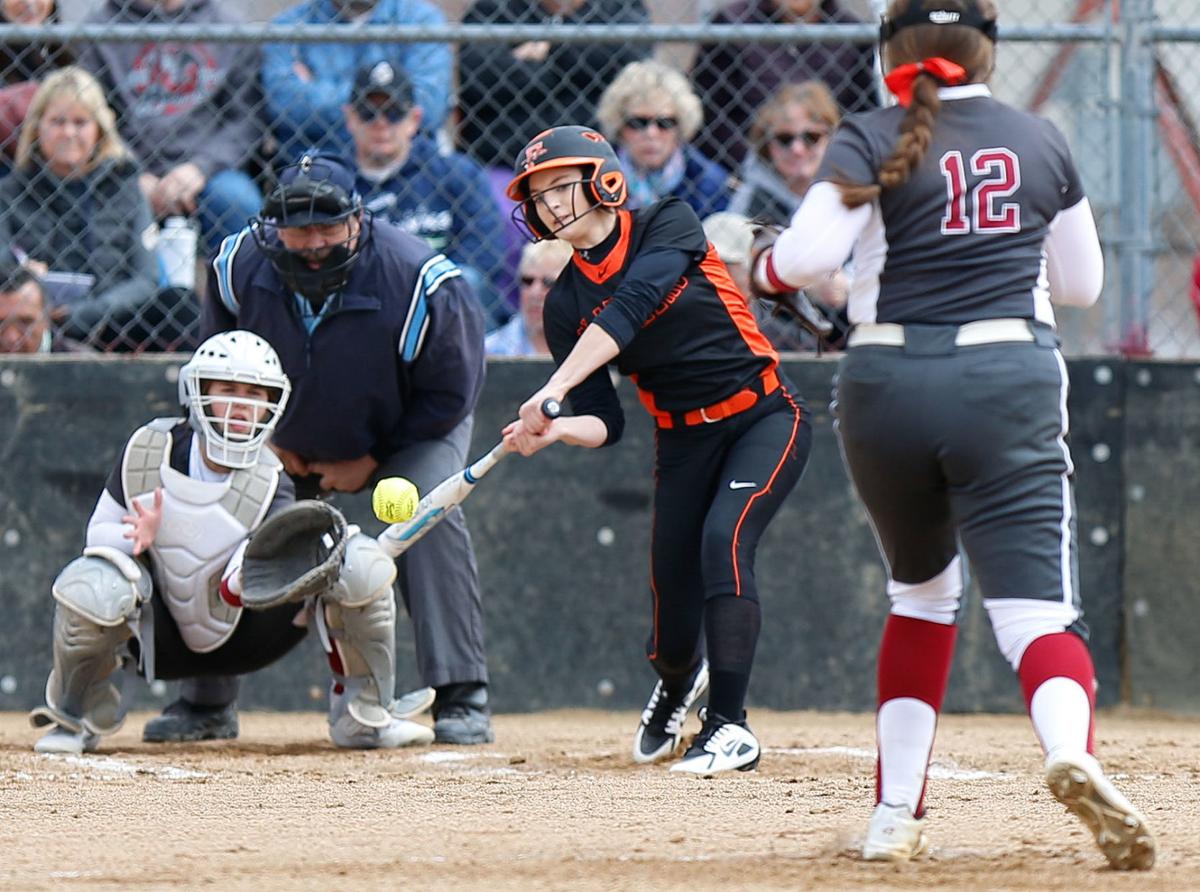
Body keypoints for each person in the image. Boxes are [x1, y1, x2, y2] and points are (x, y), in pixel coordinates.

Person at [751, 0, 1155, 869]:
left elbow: (805, 260)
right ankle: (1070, 752)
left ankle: (895, 814)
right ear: (986, 52)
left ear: (890, 51)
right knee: (1036, 612)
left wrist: (759, 265)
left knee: (923, 598)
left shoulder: (870, 134)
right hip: (1007, 378)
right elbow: (1081, 285)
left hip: (886, 381)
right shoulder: (1037, 137)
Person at [502, 125, 811, 773]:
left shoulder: (668, 223)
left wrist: (553, 388)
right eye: (538, 195)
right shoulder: (564, 304)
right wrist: (559, 427)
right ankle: (677, 681)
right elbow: (604, 421)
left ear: (603, 179)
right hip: (682, 439)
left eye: (561, 186)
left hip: (763, 416)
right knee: (672, 616)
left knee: (724, 543)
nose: (551, 204)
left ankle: (729, 727)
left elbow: (632, 307)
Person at [199, 154, 495, 746]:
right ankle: (203, 701)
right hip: (281, 438)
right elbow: (219, 370)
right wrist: (266, 440)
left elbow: (451, 394)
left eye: (328, 226)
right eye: (298, 227)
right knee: (216, 503)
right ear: (273, 226)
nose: (313, 243)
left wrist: (373, 461)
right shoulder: (236, 266)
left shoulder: (420, 279)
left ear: (358, 220)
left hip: (405, 433)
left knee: (420, 509)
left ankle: (462, 693)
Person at [29, 330, 435, 754]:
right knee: (93, 583)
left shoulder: (273, 480)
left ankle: (363, 715)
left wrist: (274, 570)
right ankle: (76, 718)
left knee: (360, 565)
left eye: (256, 394)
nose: (243, 405)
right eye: (228, 391)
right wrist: (136, 538)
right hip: (157, 638)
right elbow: (98, 535)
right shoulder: (149, 452)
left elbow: (260, 568)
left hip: (250, 635)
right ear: (198, 393)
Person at [0, 67, 186, 352]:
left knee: (181, 303)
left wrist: (90, 312)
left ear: (99, 128)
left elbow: (146, 279)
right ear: (37, 127)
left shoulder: (126, 188)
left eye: (80, 122)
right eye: (57, 121)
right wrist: (22, 275)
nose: (68, 132)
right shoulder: (9, 191)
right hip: (31, 322)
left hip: (110, 319)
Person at [76, 0, 263, 255]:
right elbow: (94, 118)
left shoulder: (227, 25)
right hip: (127, 170)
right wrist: (130, 171)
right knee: (102, 205)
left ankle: (237, 280)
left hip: (209, 172)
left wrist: (200, 168)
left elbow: (246, 119)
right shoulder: (99, 29)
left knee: (237, 201)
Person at [344, 62, 507, 327]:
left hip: (443, 303)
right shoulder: (335, 181)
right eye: (368, 113)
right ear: (350, 118)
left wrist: (426, 288)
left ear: (414, 120)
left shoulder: (456, 173)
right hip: (365, 302)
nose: (381, 124)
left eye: (394, 113)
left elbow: (486, 251)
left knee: (469, 281)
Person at [691, 0, 878, 168]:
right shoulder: (733, 23)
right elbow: (708, 114)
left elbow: (863, 112)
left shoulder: (852, 31)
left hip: (831, 166)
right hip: (748, 168)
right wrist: (755, 164)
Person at [262, 0, 451, 162]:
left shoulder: (420, 19)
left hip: (407, 170)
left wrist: (317, 89)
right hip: (317, 166)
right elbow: (285, 108)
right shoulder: (290, 24)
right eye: (365, 113)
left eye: (384, 110)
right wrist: (389, 95)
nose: (377, 120)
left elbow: (429, 106)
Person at [594, 60, 731, 220]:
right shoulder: (594, 177)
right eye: (638, 122)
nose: (651, 133)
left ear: (680, 126)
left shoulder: (709, 183)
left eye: (664, 123)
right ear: (619, 126)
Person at [484, 239, 572, 356]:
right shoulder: (489, 351)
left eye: (549, 282)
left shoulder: (593, 344)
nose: (534, 293)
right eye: (527, 281)